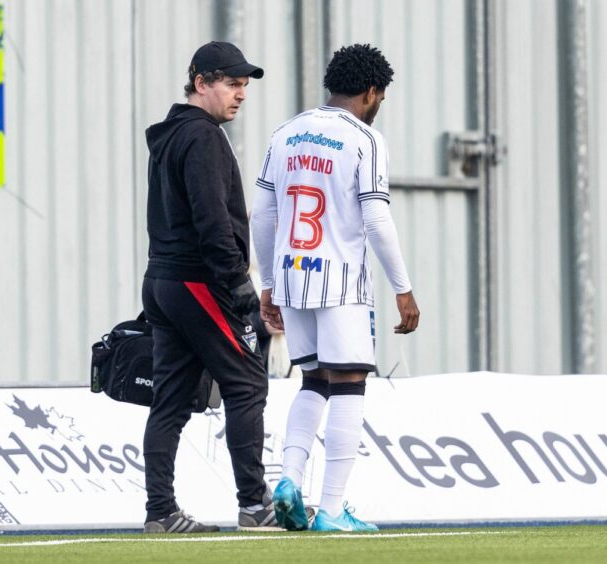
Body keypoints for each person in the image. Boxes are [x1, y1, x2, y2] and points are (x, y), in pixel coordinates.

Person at [251, 44, 420, 532]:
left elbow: (262, 213)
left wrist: (269, 284)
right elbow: (375, 214)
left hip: (291, 276)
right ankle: (329, 509)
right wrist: (403, 288)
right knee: (349, 384)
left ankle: (288, 480)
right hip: (341, 280)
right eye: (380, 98)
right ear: (371, 92)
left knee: (313, 381)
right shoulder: (364, 140)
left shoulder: (285, 134)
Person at [142, 41, 279, 533]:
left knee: (171, 402)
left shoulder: (172, 135)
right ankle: (254, 505)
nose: (240, 94)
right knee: (246, 384)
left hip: (162, 279)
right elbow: (212, 221)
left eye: (244, 85)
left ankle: (160, 512)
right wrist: (241, 289)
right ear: (201, 83)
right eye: (232, 83)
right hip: (198, 280)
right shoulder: (201, 136)